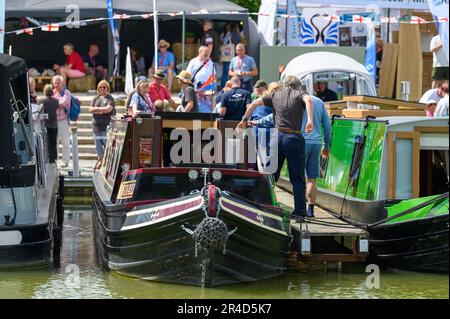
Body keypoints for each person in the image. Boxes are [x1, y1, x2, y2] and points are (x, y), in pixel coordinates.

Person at [237, 75, 314, 218]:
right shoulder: (299, 93)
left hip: (277, 138)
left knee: (271, 175)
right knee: (297, 178)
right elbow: (308, 100)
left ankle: (263, 204)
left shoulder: (274, 94)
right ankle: (300, 212)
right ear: (297, 86)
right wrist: (310, 120)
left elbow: (253, 104)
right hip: (294, 138)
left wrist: (244, 120)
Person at [251, 94, 331, 218]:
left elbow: (275, 118)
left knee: (293, 176)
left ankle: (267, 203)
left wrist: (256, 122)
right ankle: (310, 210)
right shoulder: (319, 102)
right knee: (311, 178)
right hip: (315, 143)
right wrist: (326, 145)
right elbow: (327, 125)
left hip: (298, 140)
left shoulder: (293, 101)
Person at [88, 80, 115, 167]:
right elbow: (90, 109)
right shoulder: (95, 98)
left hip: (106, 125)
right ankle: (101, 161)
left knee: (106, 143)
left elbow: (108, 109)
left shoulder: (110, 98)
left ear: (107, 88)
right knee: (98, 145)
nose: (102, 89)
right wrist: (101, 110)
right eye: (100, 87)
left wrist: (97, 110)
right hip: (96, 125)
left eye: (104, 87)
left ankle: (108, 161)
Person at [52, 75, 72, 167]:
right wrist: (57, 103)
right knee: (54, 142)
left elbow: (64, 102)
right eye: (55, 82)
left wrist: (54, 103)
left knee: (65, 142)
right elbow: (55, 103)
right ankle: (55, 161)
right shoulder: (52, 92)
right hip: (53, 121)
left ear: (62, 83)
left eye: (58, 82)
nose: (56, 84)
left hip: (63, 120)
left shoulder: (66, 92)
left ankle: (65, 161)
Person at [219, 22, 242, 89]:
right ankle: (231, 86)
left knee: (225, 72)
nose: (227, 28)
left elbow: (223, 43)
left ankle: (223, 87)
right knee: (231, 73)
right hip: (233, 56)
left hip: (227, 57)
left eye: (227, 26)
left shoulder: (227, 34)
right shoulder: (236, 34)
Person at [41, 84, 59, 164]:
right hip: (54, 124)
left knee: (47, 143)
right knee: (54, 142)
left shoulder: (42, 101)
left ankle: (49, 158)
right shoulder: (56, 101)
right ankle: (54, 158)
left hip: (46, 124)